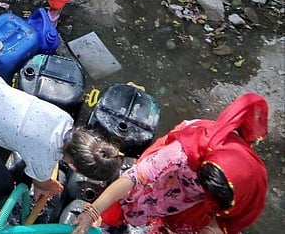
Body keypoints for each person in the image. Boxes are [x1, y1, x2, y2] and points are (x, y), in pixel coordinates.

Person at [0, 66, 122, 224]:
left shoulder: (65, 120)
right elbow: (40, 181)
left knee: (8, 137)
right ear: (73, 166)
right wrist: (46, 184)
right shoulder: (45, 156)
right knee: (4, 185)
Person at [71, 93, 268, 234]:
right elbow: (133, 178)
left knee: (183, 224)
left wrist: (212, 229)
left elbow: (226, 222)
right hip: (171, 176)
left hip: (193, 203)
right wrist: (92, 212)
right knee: (133, 200)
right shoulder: (183, 153)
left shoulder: (248, 192)